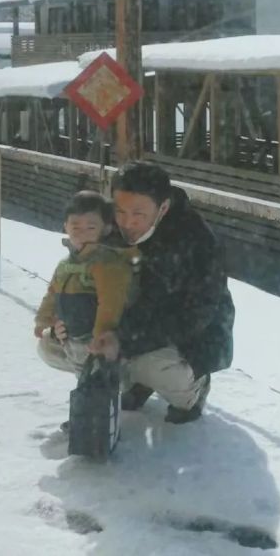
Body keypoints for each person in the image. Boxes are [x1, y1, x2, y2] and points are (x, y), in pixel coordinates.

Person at [92, 161, 235, 425]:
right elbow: (86, 282)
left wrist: (125, 341)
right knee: (58, 346)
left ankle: (193, 390)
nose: (127, 222)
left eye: (138, 214)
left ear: (163, 208)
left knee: (153, 365)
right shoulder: (108, 228)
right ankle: (136, 381)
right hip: (134, 326)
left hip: (192, 338)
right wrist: (64, 317)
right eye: (120, 211)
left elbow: (195, 316)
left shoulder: (197, 241)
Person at [34, 190, 137, 376]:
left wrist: (100, 335)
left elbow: (110, 302)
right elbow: (52, 293)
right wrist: (44, 320)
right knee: (47, 346)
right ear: (65, 226)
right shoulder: (66, 264)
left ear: (105, 229)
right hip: (74, 333)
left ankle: (120, 383)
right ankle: (88, 380)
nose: (82, 234)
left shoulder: (106, 262)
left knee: (95, 369)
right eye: (75, 227)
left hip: (97, 337)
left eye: (90, 228)